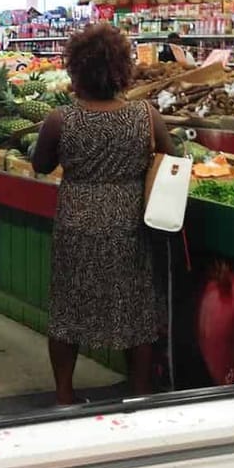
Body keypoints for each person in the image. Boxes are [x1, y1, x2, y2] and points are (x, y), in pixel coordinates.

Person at [31, 24, 176, 405]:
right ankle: (140, 391)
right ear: (121, 70)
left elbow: (41, 165)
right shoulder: (146, 117)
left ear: (76, 70)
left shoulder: (61, 120)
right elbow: (173, 159)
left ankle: (65, 392)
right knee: (135, 308)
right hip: (129, 222)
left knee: (69, 307)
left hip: (77, 221)